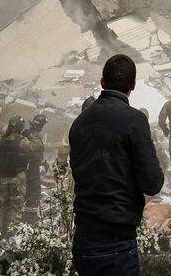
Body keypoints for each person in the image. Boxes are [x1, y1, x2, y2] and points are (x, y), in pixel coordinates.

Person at [69, 54, 164, 276]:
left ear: (102, 82)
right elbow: (152, 183)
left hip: (83, 238)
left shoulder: (79, 123)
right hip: (117, 241)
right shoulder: (134, 120)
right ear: (133, 85)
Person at [0, 117, 29, 237]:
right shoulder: (23, 142)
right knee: (16, 207)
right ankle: (12, 236)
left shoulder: (1, 140)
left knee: (1, 206)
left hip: (4, 176)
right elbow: (36, 149)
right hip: (17, 177)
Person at [23, 114, 48, 223]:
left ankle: (25, 215)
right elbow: (36, 155)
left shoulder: (28, 133)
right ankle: (30, 217)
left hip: (26, 167)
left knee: (25, 191)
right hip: (32, 169)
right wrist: (44, 163)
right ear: (41, 125)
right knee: (34, 192)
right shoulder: (35, 136)